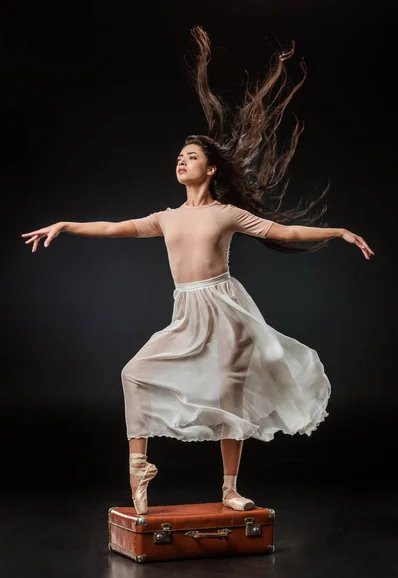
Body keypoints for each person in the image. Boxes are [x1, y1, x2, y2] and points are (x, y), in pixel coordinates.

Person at [21, 26, 374, 516]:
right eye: (179, 158)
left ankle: (230, 489)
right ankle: (139, 469)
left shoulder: (226, 213)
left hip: (226, 309)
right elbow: (114, 226)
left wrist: (336, 233)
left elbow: (282, 233)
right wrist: (65, 225)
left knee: (230, 399)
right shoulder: (166, 218)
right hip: (186, 311)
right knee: (135, 374)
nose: (181, 162)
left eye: (191, 157)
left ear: (210, 170)